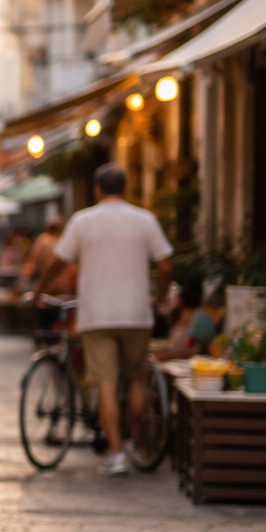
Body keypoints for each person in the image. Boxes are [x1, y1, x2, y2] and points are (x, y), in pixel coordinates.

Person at [37, 163, 173, 476]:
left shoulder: (82, 221)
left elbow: (58, 262)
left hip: (96, 314)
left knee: (107, 384)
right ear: (126, 188)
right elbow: (166, 265)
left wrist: (39, 289)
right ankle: (139, 443)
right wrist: (163, 298)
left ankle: (117, 456)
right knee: (137, 379)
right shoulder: (145, 220)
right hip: (136, 313)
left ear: (97, 190)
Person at [154, 279, 217, 361]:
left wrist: (160, 356)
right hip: (177, 361)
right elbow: (174, 345)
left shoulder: (202, 319)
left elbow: (188, 351)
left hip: (195, 363)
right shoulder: (185, 314)